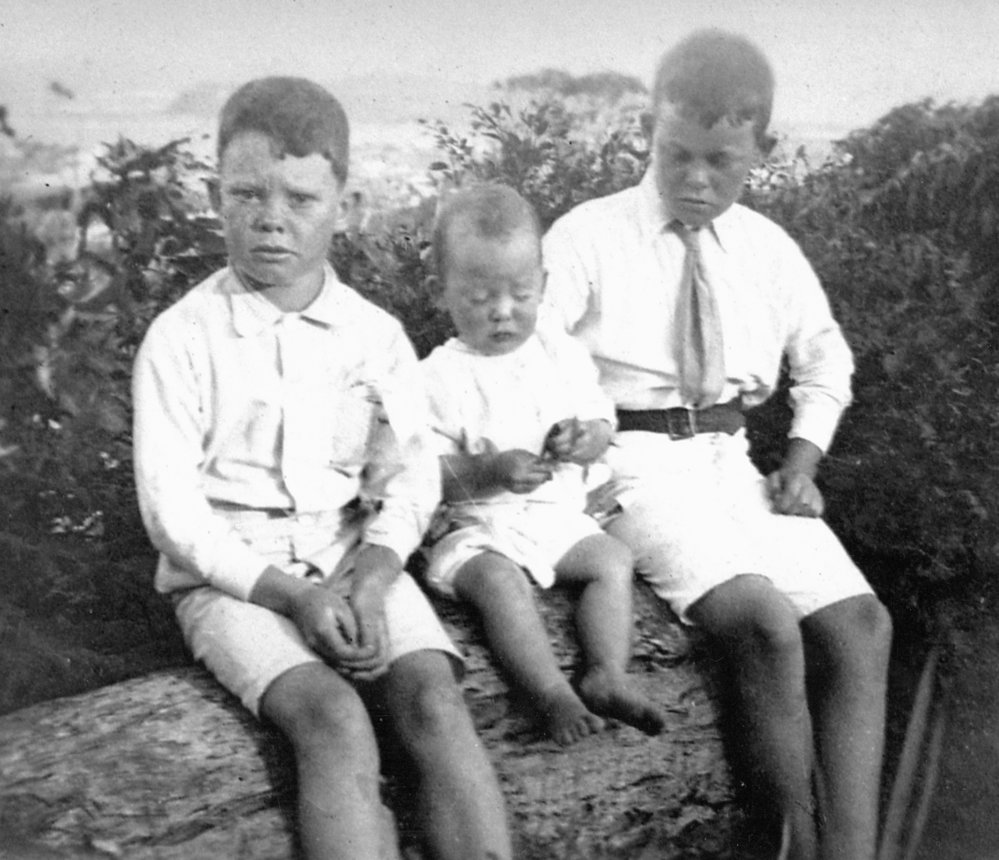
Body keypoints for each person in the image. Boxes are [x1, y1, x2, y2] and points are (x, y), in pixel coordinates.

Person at [132, 77, 511, 860]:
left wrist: (374, 573)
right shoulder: (183, 338)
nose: (272, 219)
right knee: (332, 718)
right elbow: (174, 514)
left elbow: (409, 476)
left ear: (346, 203)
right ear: (215, 195)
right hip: (235, 576)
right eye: (247, 194)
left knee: (434, 700)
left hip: (350, 551)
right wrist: (292, 597)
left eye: (301, 199)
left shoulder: (373, 336)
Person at [542, 30, 892, 860]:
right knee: (764, 623)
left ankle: (855, 851)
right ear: (648, 130)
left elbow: (824, 358)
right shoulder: (587, 237)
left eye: (722, 162)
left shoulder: (766, 250)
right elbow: (531, 358)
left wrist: (802, 460)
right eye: (678, 154)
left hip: (731, 466)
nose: (696, 180)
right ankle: (793, 849)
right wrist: (567, 465)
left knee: (860, 624)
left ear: (758, 151)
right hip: (629, 462)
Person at [419, 184, 665, 747]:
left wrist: (587, 437)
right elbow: (421, 477)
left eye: (520, 294)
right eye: (480, 297)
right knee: (499, 583)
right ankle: (550, 692)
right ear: (443, 294)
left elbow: (602, 418)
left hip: (553, 520)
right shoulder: (435, 378)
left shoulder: (559, 352)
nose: (503, 311)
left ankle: (607, 671)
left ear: (544, 288)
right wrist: (489, 471)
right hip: (477, 530)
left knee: (610, 558)